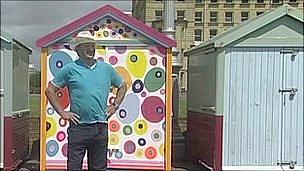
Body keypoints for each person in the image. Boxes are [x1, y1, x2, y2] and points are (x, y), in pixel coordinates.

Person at [45, 37, 127, 171]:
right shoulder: (70, 69)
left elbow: (122, 86)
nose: (90, 49)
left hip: (100, 127)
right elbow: (50, 90)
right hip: (78, 127)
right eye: (86, 46)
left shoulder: (106, 68)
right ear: (77, 50)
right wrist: (63, 113)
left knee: (99, 168)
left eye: (92, 46)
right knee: (74, 167)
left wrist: (115, 106)